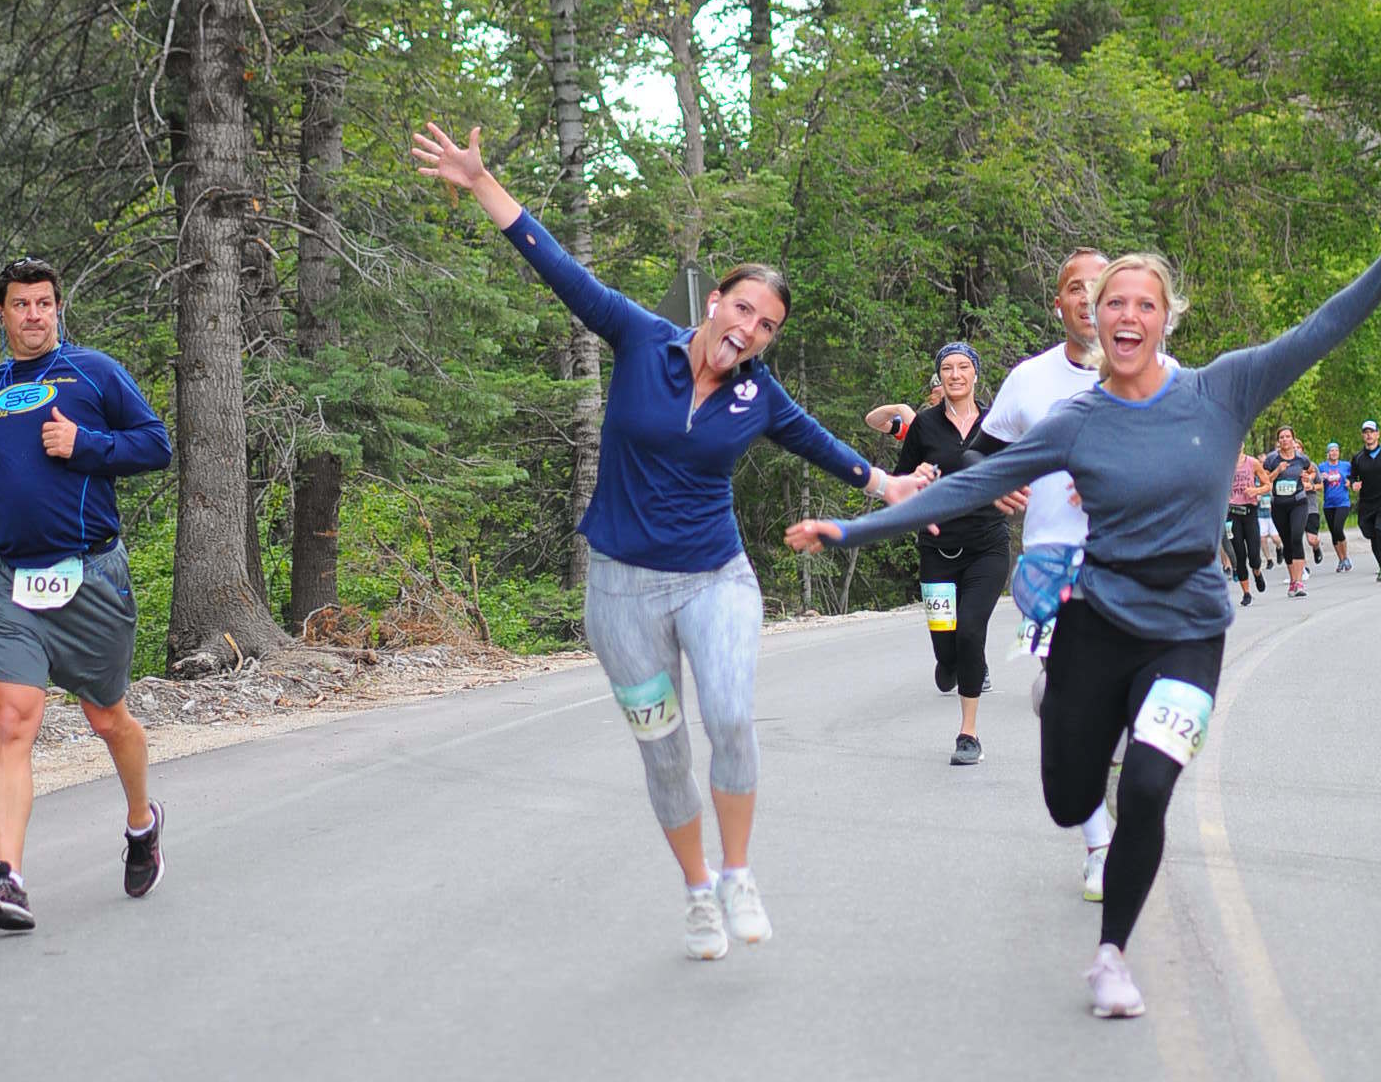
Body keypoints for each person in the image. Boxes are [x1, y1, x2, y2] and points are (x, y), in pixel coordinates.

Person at [786, 248, 1381, 1019]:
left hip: (1189, 630)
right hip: (1096, 623)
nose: (1129, 316)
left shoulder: (1223, 389)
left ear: (1166, 319)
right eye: (1115, 303)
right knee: (1070, 800)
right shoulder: (1077, 420)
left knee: (1147, 786)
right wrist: (851, 530)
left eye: (1145, 304)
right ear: (1095, 319)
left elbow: (1326, 325)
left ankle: (1112, 957)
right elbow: (971, 484)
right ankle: (1082, 794)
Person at [412, 120, 930, 960]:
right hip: (619, 593)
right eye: (743, 309)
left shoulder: (759, 395)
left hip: (713, 578)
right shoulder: (639, 338)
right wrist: (480, 182)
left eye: (767, 326)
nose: (750, 330)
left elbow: (817, 443)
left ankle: (738, 874)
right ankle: (697, 891)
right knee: (662, 751)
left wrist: (886, 484)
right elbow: (559, 267)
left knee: (729, 717)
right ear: (715, 302)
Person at [0, 257, 172, 932]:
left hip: (89, 574)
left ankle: (141, 823)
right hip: (9, 579)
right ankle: (9, 877)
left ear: (57, 308)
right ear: (2, 313)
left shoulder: (94, 372)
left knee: (106, 718)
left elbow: (156, 445)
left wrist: (87, 444)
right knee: (12, 719)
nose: (34, 315)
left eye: (44, 303)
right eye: (21, 304)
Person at [977, 246, 1113, 898]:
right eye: (1075, 287)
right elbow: (979, 452)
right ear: (1058, 303)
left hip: (1132, 555)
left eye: (1100, 286)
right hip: (1053, 561)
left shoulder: (1155, 373)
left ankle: (1119, 784)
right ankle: (1099, 845)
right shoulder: (1029, 380)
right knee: (1061, 696)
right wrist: (994, 483)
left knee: (1125, 703)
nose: (1088, 297)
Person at [889, 342, 1010, 766]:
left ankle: (968, 734)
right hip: (938, 549)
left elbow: (1019, 468)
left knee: (971, 630)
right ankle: (951, 662)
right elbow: (899, 484)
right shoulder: (924, 425)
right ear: (939, 377)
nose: (955, 375)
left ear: (976, 373)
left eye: (963, 367)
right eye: (947, 368)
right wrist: (916, 480)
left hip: (987, 546)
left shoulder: (997, 422)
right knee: (948, 649)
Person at [1261, 426, 1317, 596]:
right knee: (1287, 541)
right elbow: (1264, 481)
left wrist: (1308, 478)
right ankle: (1293, 581)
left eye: (1287, 436)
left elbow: (1312, 471)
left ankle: (1299, 582)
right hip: (1279, 505)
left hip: (1298, 503)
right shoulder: (1272, 459)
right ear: (1278, 441)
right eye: (1282, 437)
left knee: (1296, 538)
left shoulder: (1301, 458)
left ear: (1293, 439)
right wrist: (1277, 471)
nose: (1285, 439)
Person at [1225, 449, 1271, 607]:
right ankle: (1246, 593)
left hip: (1250, 512)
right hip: (1232, 513)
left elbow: (1268, 485)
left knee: (1253, 554)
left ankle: (1257, 572)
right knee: (1239, 555)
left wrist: (1256, 490)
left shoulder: (1253, 463)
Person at [1350, 419, 1381, 577]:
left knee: (1379, 529)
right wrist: (1353, 484)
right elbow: (1352, 477)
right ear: (1363, 436)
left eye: (1371, 432)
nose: (1369, 435)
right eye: (1366, 433)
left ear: (1378, 434)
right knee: (1372, 535)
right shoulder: (1358, 458)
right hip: (1367, 503)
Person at [1316, 443, 1353, 569]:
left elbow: (1354, 477)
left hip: (1343, 502)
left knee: (1338, 528)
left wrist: (1349, 482)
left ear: (1339, 452)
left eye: (1336, 450)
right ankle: (1341, 560)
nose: (1334, 453)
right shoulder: (1322, 466)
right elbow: (1317, 482)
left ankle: (1346, 557)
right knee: (1333, 533)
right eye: (1331, 450)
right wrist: (1321, 478)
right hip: (1329, 504)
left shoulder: (1346, 465)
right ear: (1328, 453)